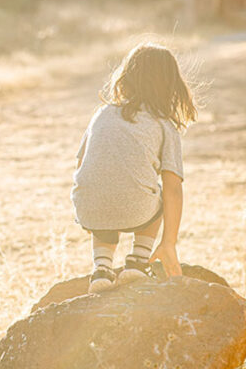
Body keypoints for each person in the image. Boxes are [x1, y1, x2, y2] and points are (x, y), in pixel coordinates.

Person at [71, 43, 197, 294]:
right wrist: (168, 242)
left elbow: (82, 163)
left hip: (88, 207)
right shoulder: (164, 125)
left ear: (127, 77)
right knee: (159, 194)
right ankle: (138, 263)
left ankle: (102, 269)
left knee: (104, 188)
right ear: (170, 85)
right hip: (137, 210)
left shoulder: (103, 113)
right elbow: (173, 189)